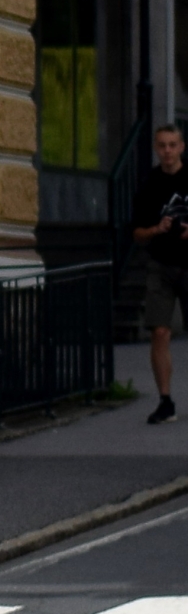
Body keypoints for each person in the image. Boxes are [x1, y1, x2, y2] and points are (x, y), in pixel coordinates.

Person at [132, 124, 188, 423]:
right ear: (156, 148)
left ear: (181, 147)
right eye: (162, 145)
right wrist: (158, 229)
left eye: (172, 145)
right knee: (159, 331)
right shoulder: (149, 184)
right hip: (160, 264)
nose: (167, 151)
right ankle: (165, 400)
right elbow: (137, 233)